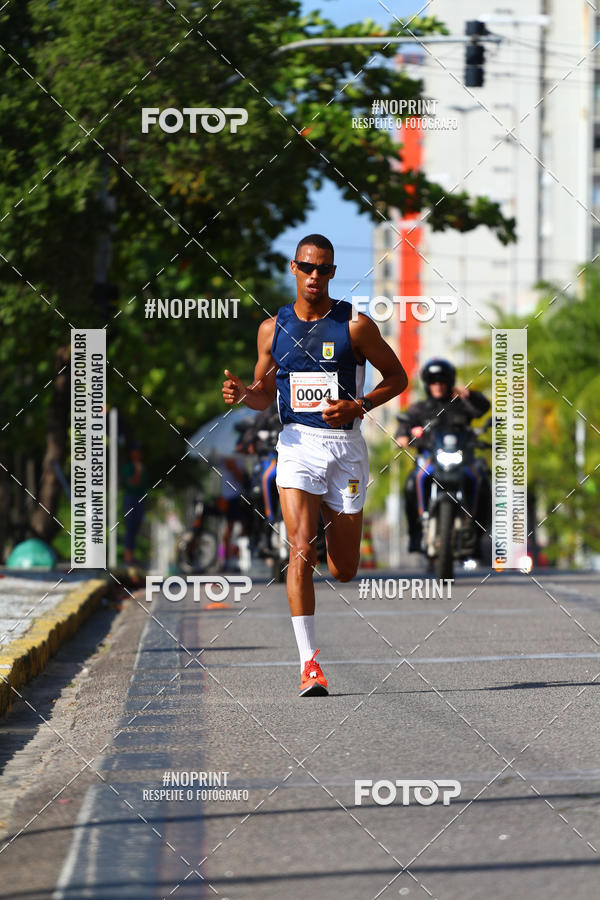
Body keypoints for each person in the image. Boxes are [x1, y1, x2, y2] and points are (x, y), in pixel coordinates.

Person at [222, 233, 407, 696]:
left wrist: (359, 406)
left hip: (344, 450)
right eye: (308, 267)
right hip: (297, 446)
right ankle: (309, 665)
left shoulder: (354, 326)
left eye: (324, 269)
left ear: (332, 273)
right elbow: (264, 392)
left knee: (345, 569)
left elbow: (398, 377)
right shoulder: (272, 328)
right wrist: (245, 394)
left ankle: (331, 520)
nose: (315, 277)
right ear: (293, 268)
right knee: (300, 548)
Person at [395, 358, 490, 553]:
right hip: (429, 460)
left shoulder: (461, 404)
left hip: (462, 461)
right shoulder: (419, 408)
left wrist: (469, 394)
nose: (437, 385)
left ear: (449, 382)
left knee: (482, 480)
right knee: (411, 483)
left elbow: (483, 408)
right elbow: (405, 425)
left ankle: (476, 535)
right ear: (427, 384)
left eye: (442, 380)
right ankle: (415, 534)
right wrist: (403, 436)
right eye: (433, 381)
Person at [122, 443, 148, 565]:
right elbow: (132, 483)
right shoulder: (129, 467)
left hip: (140, 499)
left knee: (137, 526)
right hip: (130, 498)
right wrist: (137, 470)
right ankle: (128, 557)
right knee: (130, 527)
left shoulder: (144, 468)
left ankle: (131, 556)